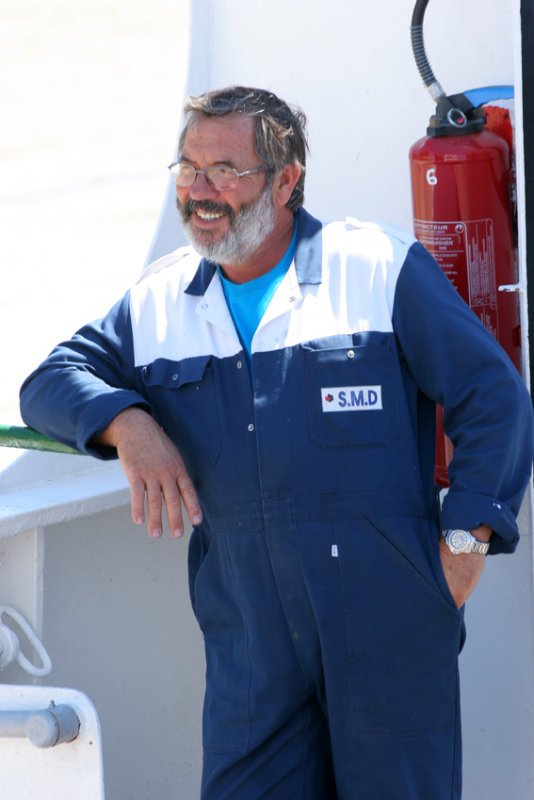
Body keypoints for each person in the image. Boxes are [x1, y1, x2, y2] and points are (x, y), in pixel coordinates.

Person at [20, 86, 534, 800]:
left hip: (390, 633)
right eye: (188, 167)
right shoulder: (161, 301)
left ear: (286, 179)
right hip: (250, 649)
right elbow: (49, 381)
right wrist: (128, 425)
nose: (200, 191)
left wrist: (465, 548)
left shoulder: (376, 267)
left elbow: (496, 396)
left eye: (224, 170)